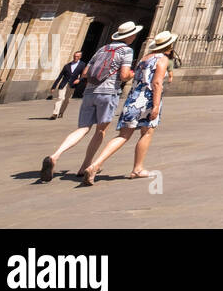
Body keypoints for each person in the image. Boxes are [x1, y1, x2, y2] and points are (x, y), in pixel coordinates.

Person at [40, 22, 142, 182]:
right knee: (100, 131)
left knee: (83, 128)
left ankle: (55, 155)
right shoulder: (127, 51)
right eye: (133, 34)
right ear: (128, 36)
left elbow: (86, 73)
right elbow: (123, 75)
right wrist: (132, 74)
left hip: (89, 92)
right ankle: (87, 166)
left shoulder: (102, 49)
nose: (135, 36)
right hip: (108, 93)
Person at [82, 31, 176, 185]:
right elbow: (157, 83)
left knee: (123, 135)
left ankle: (95, 164)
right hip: (147, 100)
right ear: (168, 46)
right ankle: (137, 169)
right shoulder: (162, 59)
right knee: (146, 133)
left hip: (132, 99)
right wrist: (156, 105)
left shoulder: (143, 59)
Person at [49, 51, 85, 120]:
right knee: (60, 98)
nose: (75, 57)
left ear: (80, 57)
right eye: (74, 56)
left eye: (77, 56)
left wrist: (79, 80)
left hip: (72, 85)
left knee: (66, 100)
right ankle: (54, 114)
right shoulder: (67, 66)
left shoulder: (82, 65)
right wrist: (53, 86)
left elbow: (83, 75)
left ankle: (61, 112)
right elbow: (60, 76)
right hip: (63, 84)